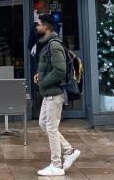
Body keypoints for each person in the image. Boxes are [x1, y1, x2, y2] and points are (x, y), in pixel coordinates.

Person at [34, 14, 80, 177]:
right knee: (43, 124)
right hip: (49, 93)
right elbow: (51, 67)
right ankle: (69, 150)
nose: (36, 26)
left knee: (51, 128)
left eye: (38, 24)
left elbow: (60, 70)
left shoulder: (54, 45)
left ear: (46, 26)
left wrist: (44, 82)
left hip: (54, 93)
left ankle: (56, 165)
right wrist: (40, 75)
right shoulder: (47, 44)